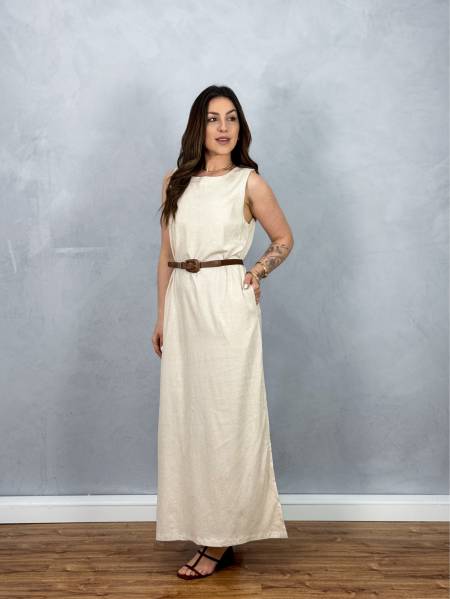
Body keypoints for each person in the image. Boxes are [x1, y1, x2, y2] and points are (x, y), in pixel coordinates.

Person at [152, 85, 294, 580]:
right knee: (189, 419)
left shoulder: (248, 183)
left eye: (232, 118)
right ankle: (212, 529)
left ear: (240, 126)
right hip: (184, 305)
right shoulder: (175, 182)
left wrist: (258, 272)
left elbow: (283, 239)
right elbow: (166, 255)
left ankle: (218, 540)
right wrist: (161, 316)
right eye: (213, 118)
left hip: (226, 307)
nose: (223, 127)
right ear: (199, 125)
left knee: (225, 418)